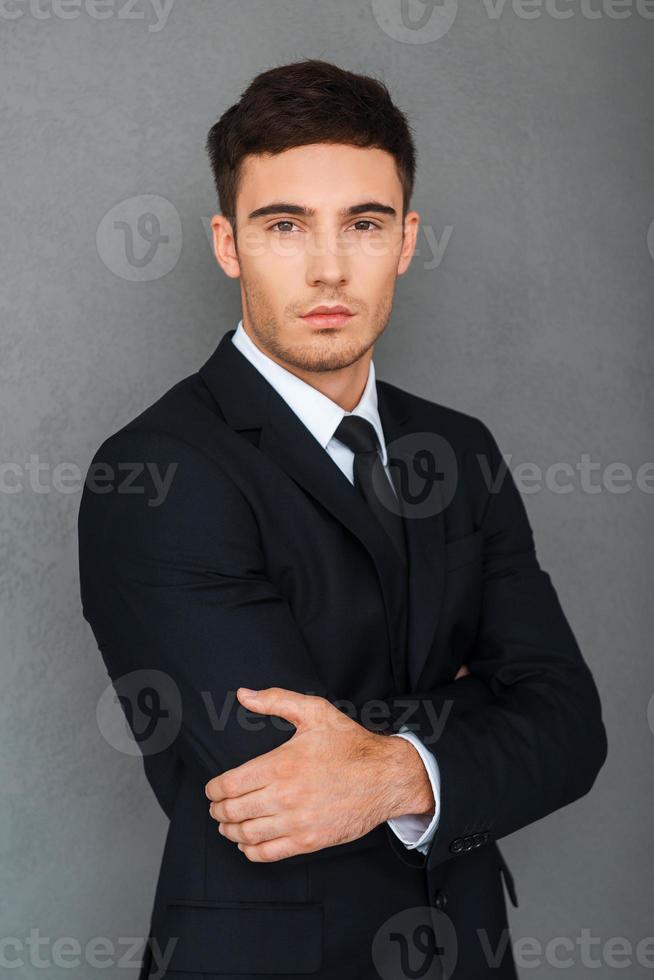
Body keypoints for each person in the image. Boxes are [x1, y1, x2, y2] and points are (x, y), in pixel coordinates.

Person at [77, 58, 607, 980]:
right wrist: (474, 711)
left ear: (406, 240)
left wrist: (393, 771)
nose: (329, 267)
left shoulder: (461, 447)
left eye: (362, 224)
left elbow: (570, 726)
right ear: (227, 244)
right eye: (284, 226)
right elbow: (284, 773)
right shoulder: (156, 470)